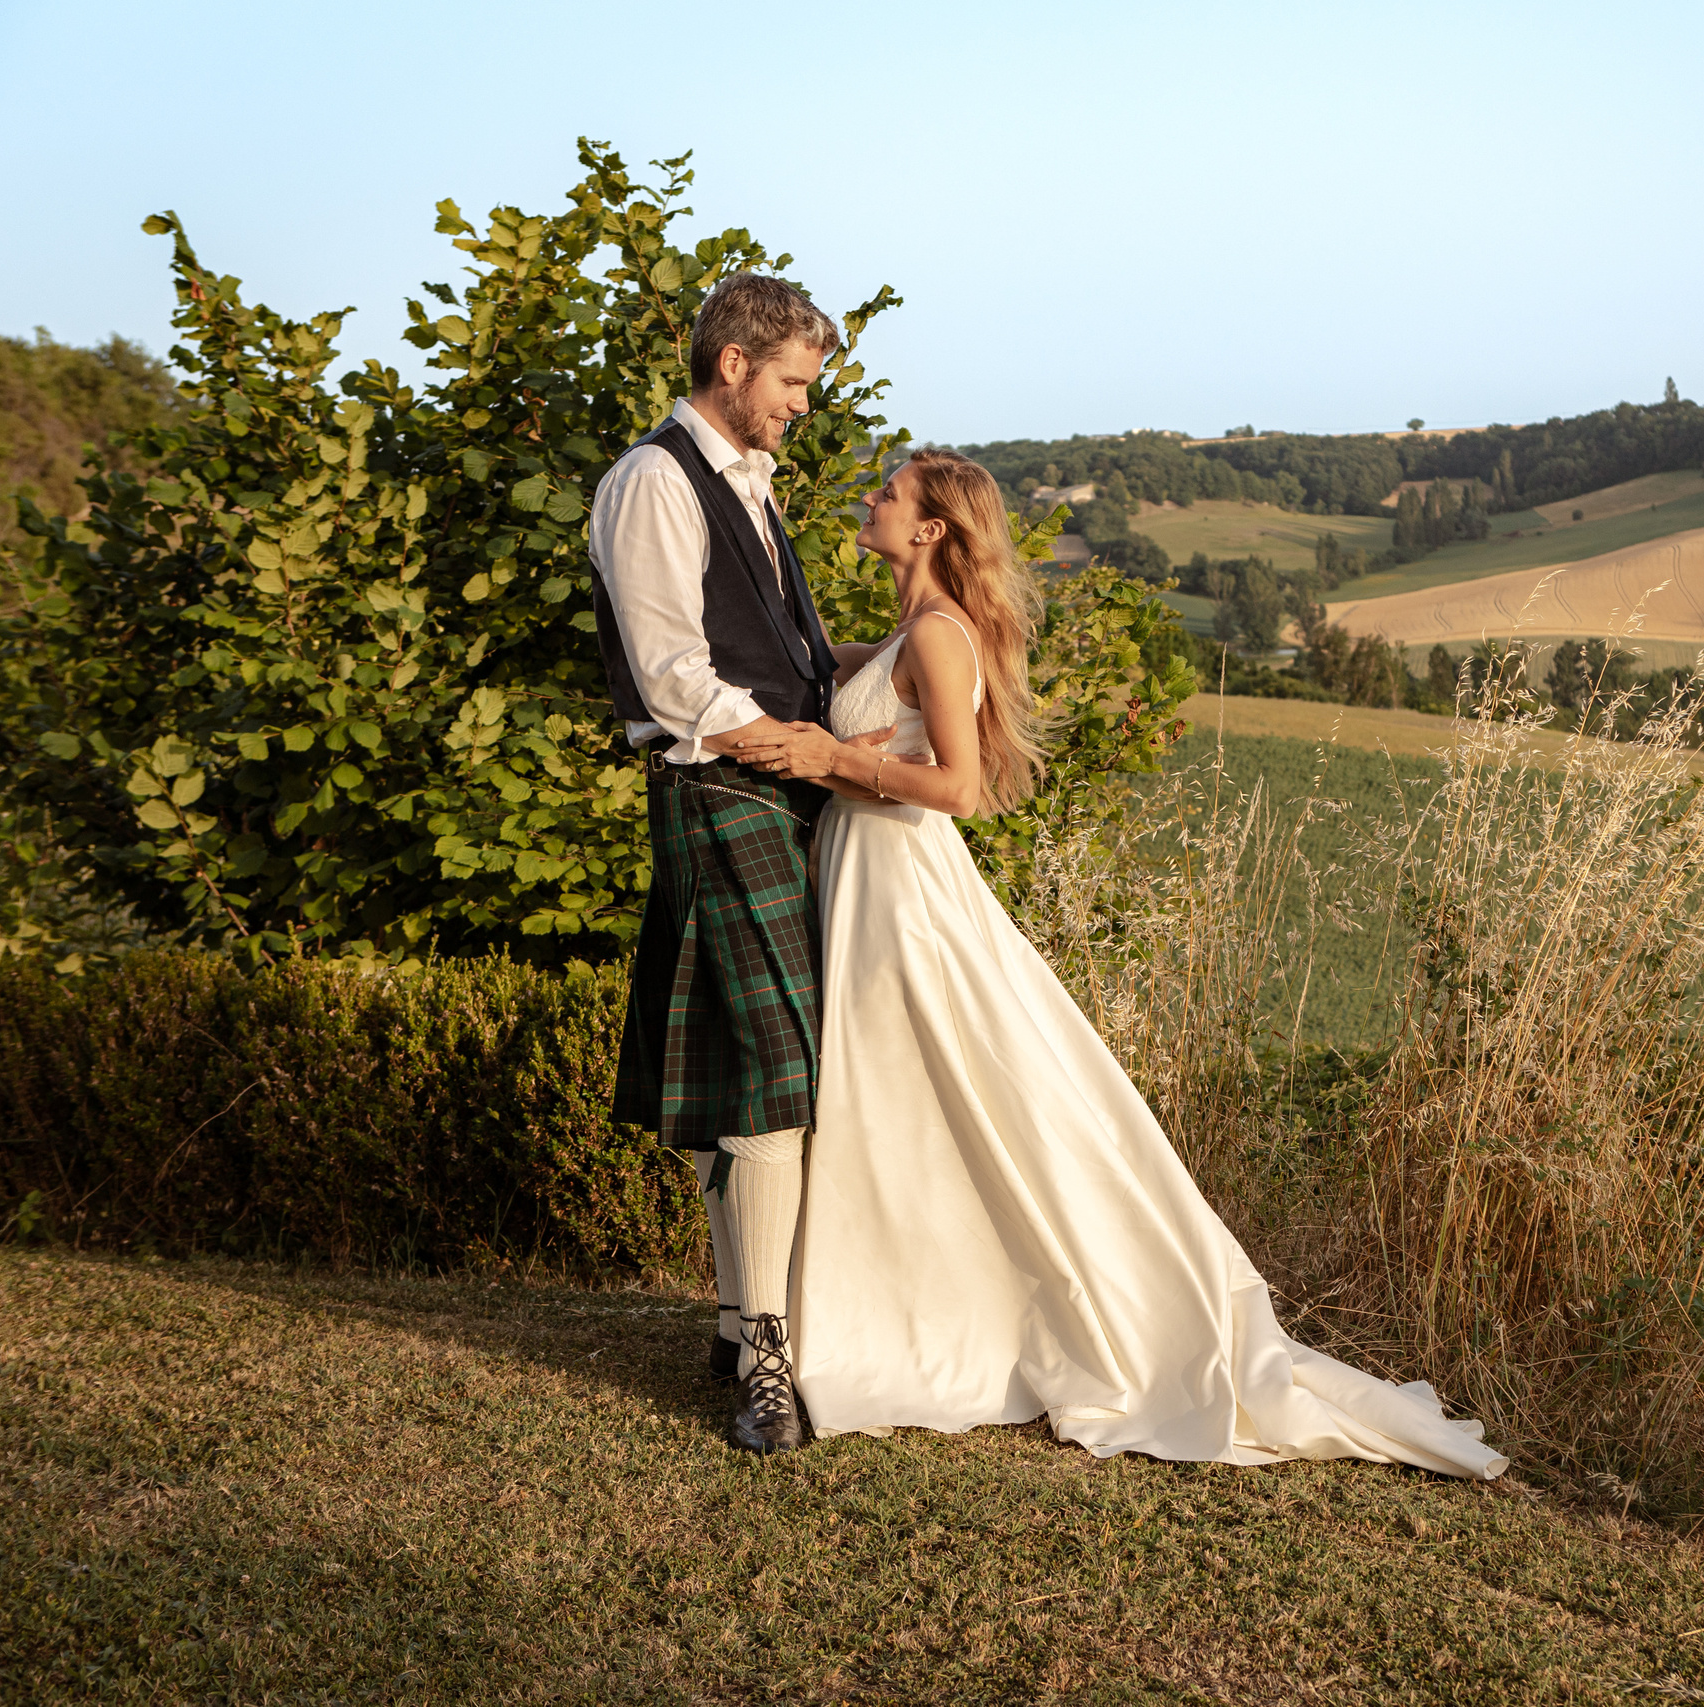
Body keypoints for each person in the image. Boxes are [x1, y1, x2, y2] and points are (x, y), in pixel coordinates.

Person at [734, 452, 1506, 1479]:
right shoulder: (904, 631)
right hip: (860, 869)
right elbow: (809, 660)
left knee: (934, 1089)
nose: (870, 502)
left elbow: (957, 787)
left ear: (929, 530)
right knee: (900, 1097)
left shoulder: (937, 635)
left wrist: (839, 760)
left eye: (889, 496)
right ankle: (884, 1300)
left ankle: (960, 1317)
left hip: (903, 887)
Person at [588, 272, 889, 1455]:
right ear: (733, 366)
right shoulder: (654, 480)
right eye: (794, 382)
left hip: (773, 784)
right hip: (720, 785)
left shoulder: (746, 484)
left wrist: (928, 645)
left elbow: (785, 660)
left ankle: (731, 1318)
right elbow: (675, 680)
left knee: (751, 1058)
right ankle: (765, 1360)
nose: (803, 406)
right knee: (775, 1065)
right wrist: (814, 755)